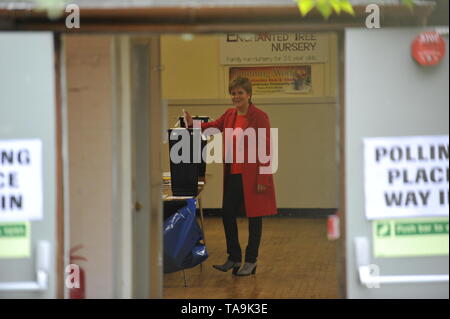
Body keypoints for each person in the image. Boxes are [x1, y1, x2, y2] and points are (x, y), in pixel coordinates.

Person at [183, 77, 277, 276]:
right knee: (227, 214)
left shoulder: (259, 116)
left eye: (240, 93)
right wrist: (193, 124)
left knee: (254, 219)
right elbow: (215, 126)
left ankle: (251, 261)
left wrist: (263, 178)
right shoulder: (230, 114)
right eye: (233, 93)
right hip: (234, 173)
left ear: (249, 94)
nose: (236, 97)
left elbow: (267, 148)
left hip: (253, 176)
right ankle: (234, 257)